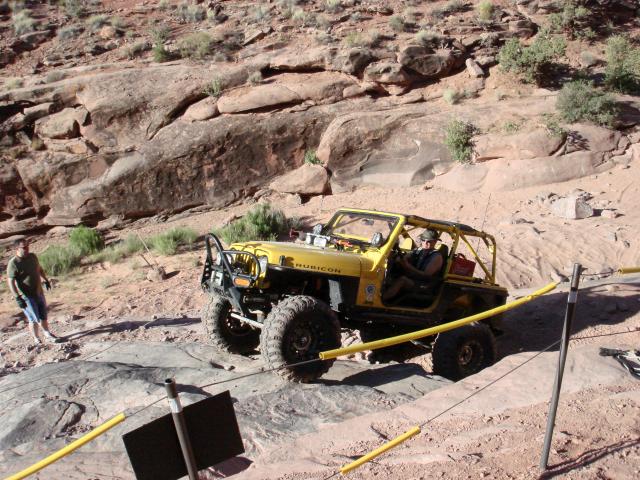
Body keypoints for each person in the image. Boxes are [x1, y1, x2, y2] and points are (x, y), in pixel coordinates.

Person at [6, 238, 60, 345]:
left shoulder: (32, 256)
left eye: (27, 246)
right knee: (33, 319)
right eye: (24, 247)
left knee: (43, 315)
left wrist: (45, 280)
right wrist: (17, 297)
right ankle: (36, 338)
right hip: (26, 296)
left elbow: (39, 269)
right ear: (17, 249)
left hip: (39, 292)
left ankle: (47, 334)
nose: (27, 249)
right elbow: (10, 281)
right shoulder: (13, 263)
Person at [382, 229, 445, 302]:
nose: (425, 243)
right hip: (413, 278)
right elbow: (406, 256)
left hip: (424, 284)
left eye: (429, 241)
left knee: (402, 280)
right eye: (423, 240)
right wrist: (399, 259)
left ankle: (381, 300)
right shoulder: (419, 250)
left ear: (435, 241)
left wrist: (408, 266)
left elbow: (426, 275)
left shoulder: (436, 257)